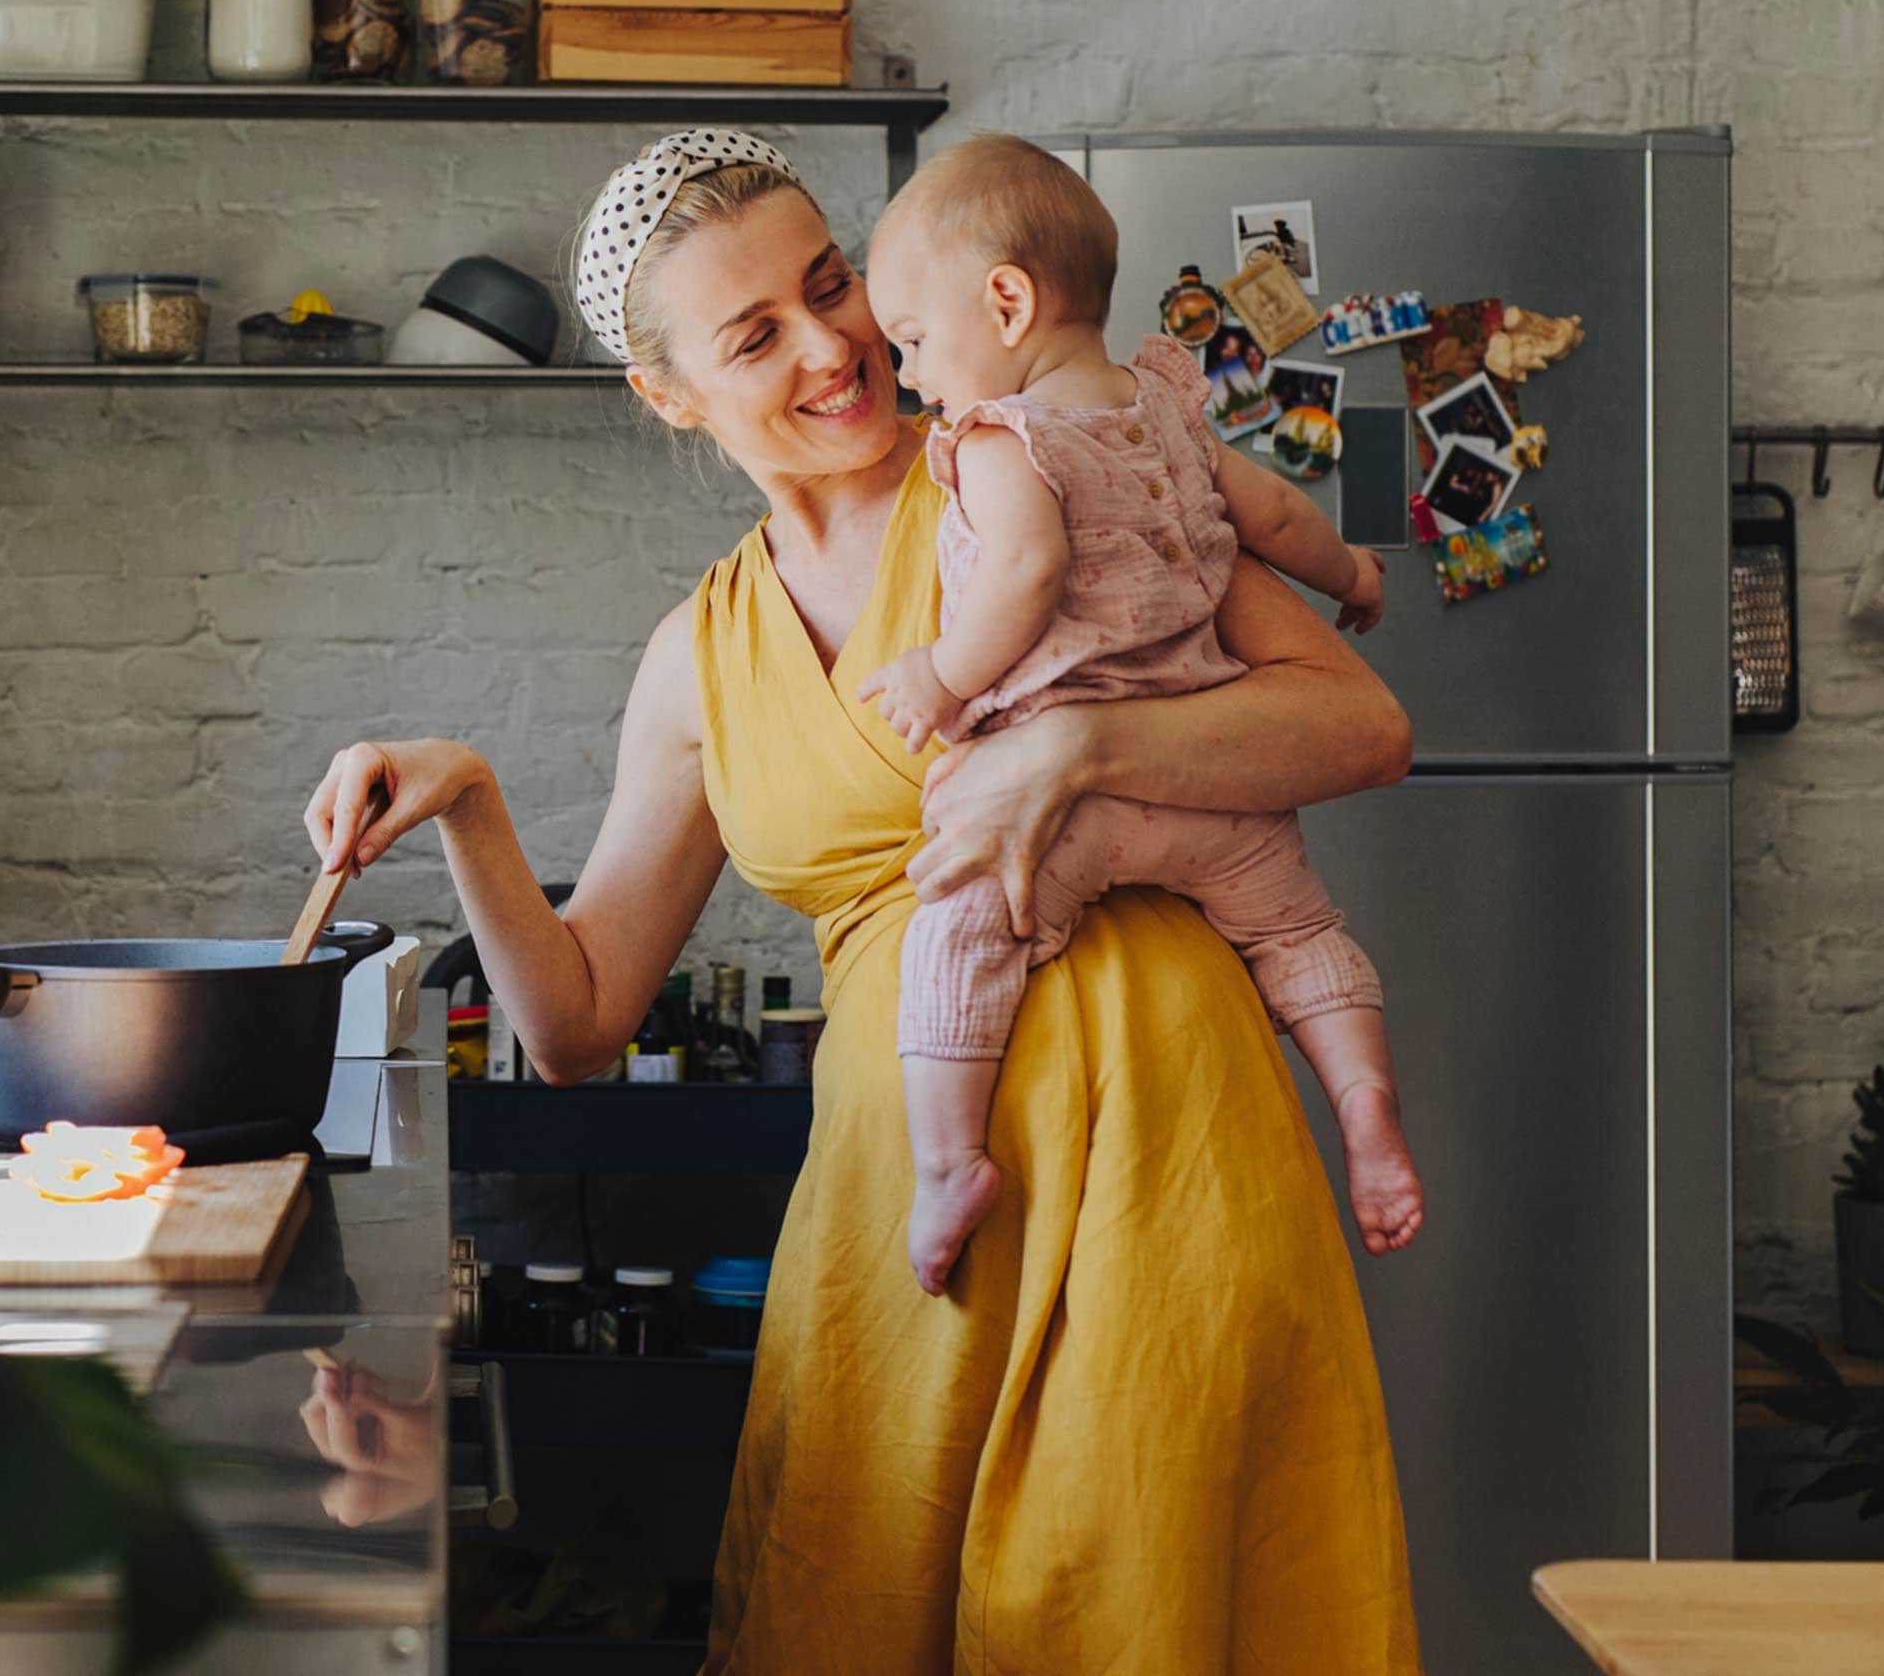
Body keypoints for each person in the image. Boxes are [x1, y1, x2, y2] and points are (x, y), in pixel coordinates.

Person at [305, 129, 1424, 1673]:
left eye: (832, 286)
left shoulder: (1040, 456)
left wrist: (1090, 745)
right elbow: (574, 1026)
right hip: (912, 1217)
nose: (836, 347)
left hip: (1170, 1167)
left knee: (1133, 1617)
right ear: (671, 394)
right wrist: (473, 809)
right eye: (758, 335)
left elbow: (1365, 727)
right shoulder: (699, 657)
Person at [858, 134, 1422, 1296]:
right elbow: (1272, 513)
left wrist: (941, 675)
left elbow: (1021, 572)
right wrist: (1353, 576)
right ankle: (1364, 1105)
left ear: (1004, 301)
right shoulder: (1166, 413)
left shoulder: (1000, 441)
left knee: (960, 927)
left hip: (1072, 806)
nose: (911, 375)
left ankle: (945, 1162)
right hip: (1214, 783)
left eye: (913, 338)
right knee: (1299, 933)